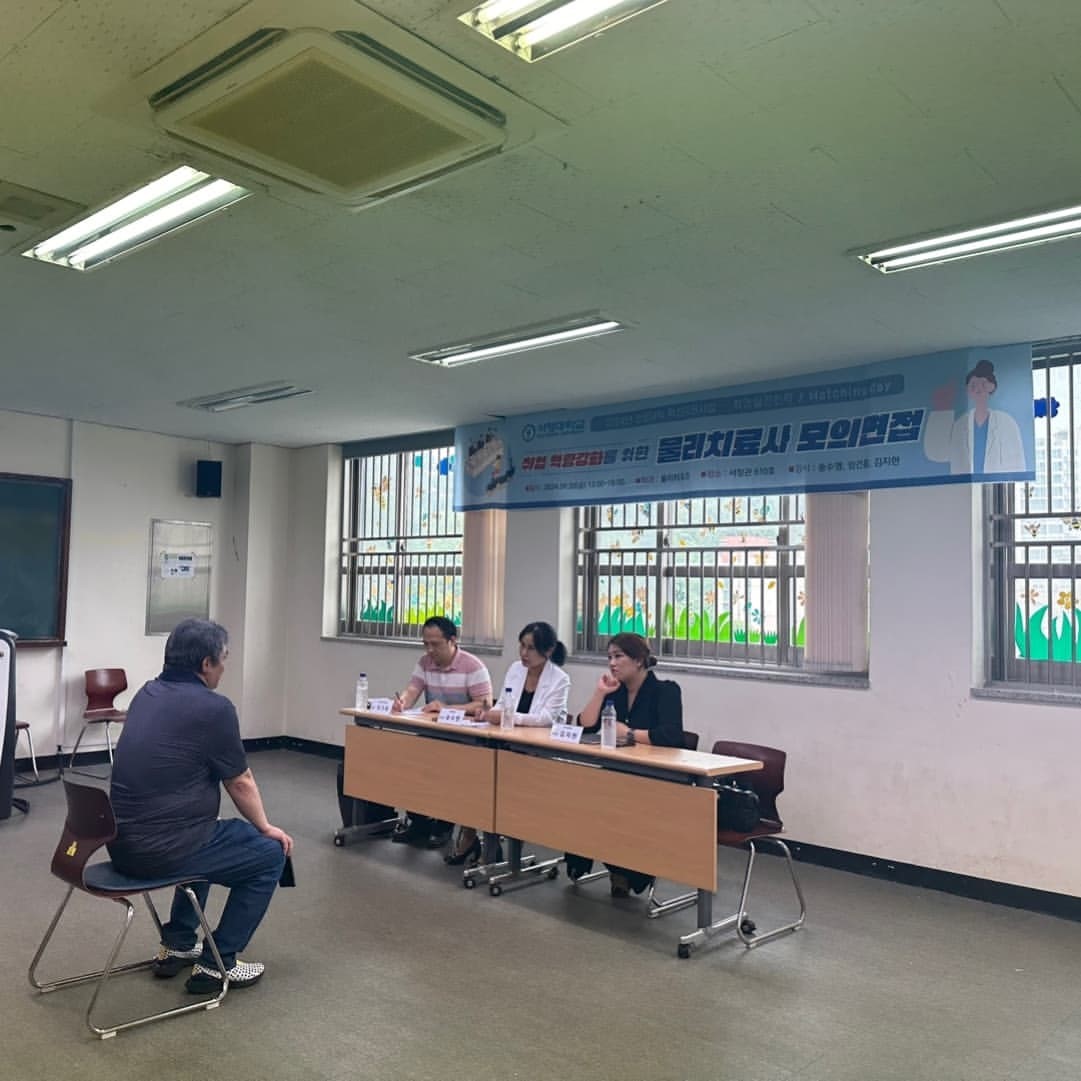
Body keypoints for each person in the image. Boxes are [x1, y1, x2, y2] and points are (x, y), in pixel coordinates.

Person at [108, 619, 293, 993]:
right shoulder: (214, 708)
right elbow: (239, 781)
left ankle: (177, 944)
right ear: (206, 664)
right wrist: (265, 827)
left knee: (210, 830)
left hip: (120, 843)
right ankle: (217, 964)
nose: (225, 668)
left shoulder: (147, 693)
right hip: (162, 851)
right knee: (271, 853)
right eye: (223, 659)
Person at [567, 632, 684, 898]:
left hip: (652, 778)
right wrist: (600, 693)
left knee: (618, 806)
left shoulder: (666, 691)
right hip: (616, 772)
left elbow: (671, 735)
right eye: (609, 657)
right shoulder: (616, 692)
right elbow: (586, 725)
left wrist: (629, 733)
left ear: (639, 660)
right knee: (582, 799)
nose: (612, 663)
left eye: (618, 656)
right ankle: (605, 864)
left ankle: (628, 870)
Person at [443, 621, 570, 866]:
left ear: (548, 650)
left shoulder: (560, 679)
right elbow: (502, 703)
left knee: (501, 786)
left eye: (530, 648)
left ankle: (494, 847)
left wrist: (507, 717)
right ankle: (475, 836)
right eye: (521, 646)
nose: (523, 653)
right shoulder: (515, 669)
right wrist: (488, 713)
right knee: (473, 775)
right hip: (505, 745)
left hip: (536, 754)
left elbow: (546, 718)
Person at [389, 616, 492, 848]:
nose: (429, 650)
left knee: (449, 773)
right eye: (425, 644)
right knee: (412, 765)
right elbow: (412, 690)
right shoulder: (425, 662)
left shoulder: (473, 666)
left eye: (435, 644)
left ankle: (445, 826)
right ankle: (419, 823)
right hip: (432, 733)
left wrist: (447, 708)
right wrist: (402, 702)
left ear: (452, 641)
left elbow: (484, 705)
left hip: (464, 739)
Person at [924, 358, 1027, 475]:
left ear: (992, 387)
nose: (978, 389)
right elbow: (938, 454)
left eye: (983, 384)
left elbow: (1016, 462)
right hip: (965, 484)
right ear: (967, 390)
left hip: (994, 484)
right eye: (973, 385)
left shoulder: (1006, 422)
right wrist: (942, 408)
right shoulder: (960, 424)